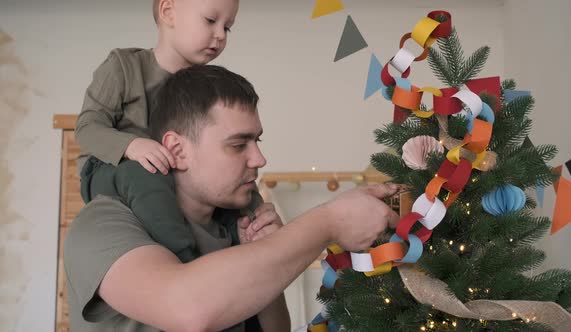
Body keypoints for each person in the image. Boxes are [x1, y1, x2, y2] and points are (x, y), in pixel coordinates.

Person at [64, 64, 401, 331]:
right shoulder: (104, 223)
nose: (258, 159)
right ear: (177, 150)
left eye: (258, 142)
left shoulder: (234, 226)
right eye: (239, 145)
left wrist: (266, 251)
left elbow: (275, 329)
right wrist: (329, 221)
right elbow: (187, 309)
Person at [74, 0, 255, 264]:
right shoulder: (124, 67)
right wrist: (132, 145)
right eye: (210, 21)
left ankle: (255, 241)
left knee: (234, 181)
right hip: (113, 168)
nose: (220, 35)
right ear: (168, 12)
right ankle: (182, 259)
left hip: (167, 175)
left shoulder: (206, 88)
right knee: (144, 174)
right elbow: (87, 128)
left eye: (228, 28)